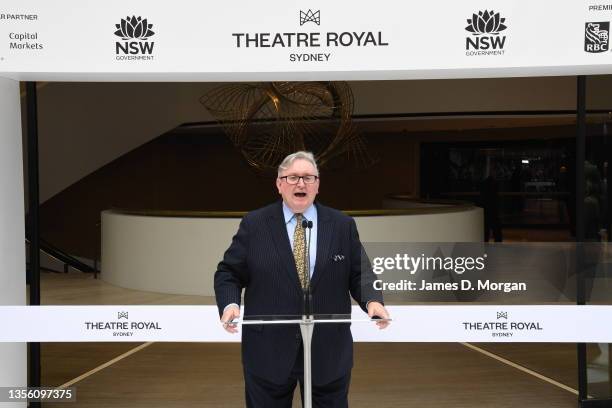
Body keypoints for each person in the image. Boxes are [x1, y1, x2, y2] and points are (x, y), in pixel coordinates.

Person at [214, 151, 390, 408]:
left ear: (317, 185)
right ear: (279, 184)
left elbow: (360, 272)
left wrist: (373, 300)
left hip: (328, 351)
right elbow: (228, 272)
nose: (301, 183)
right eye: (293, 177)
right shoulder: (255, 224)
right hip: (267, 351)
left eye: (308, 177)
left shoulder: (342, 224)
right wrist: (230, 304)